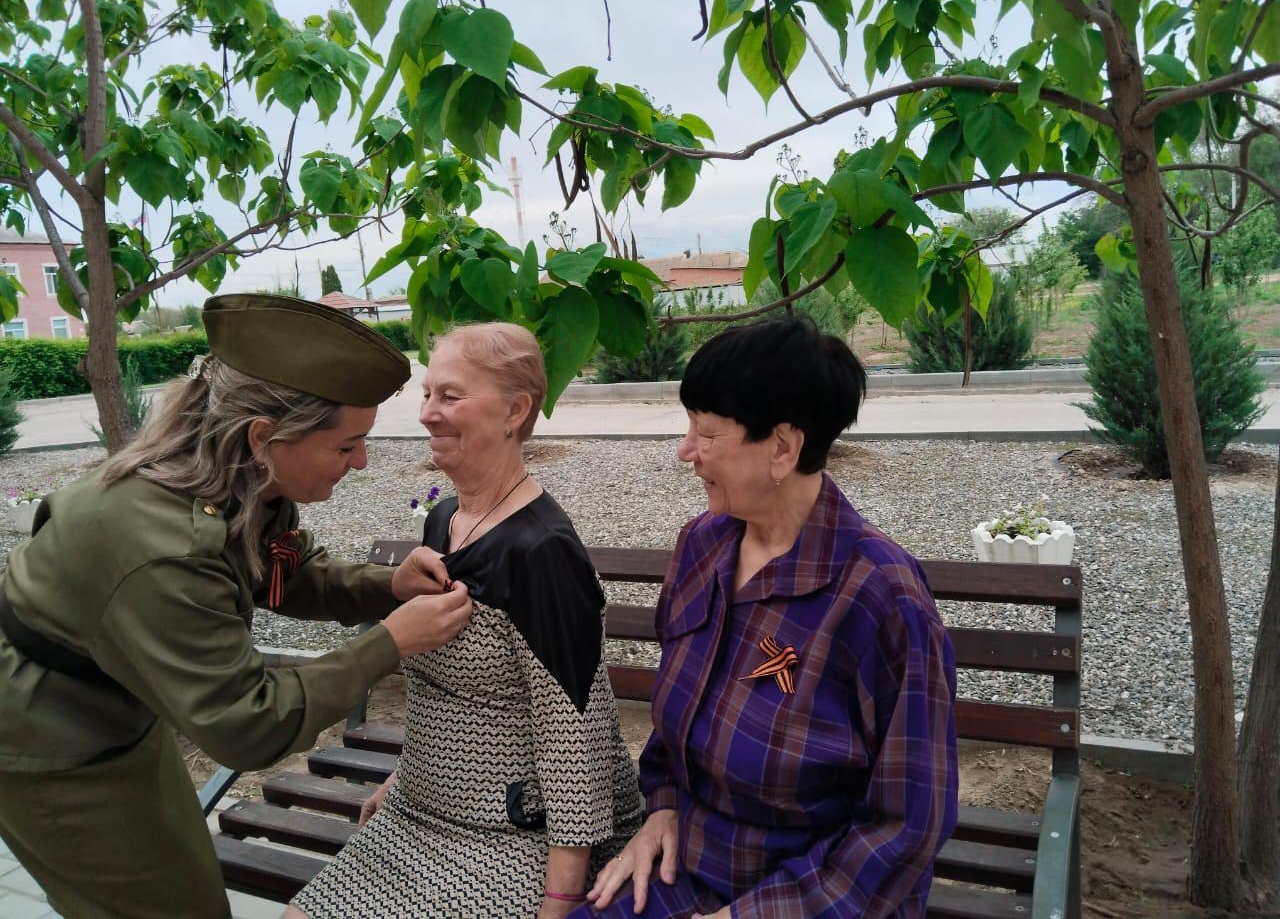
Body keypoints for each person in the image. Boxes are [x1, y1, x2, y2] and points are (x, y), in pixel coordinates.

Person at [0, 294, 473, 919]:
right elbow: (246, 724)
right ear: (263, 435)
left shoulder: (239, 479)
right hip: (50, 738)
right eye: (346, 446)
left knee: (187, 883)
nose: (361, 462)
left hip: (118, 702)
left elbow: (280, 574)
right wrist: (388, 643)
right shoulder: (163, 546)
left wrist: (387, 586)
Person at [578, 318, 958, 919]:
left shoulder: (881, 597)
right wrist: (664, 805)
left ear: (782, 447)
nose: (685, 451)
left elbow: (907, 825)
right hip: (689, 866)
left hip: (812, 901)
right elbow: (675, 731)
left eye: (706, 432)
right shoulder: (703, 545)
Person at [288, 322, 642, 919]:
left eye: (450, 396)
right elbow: (441, 689)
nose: (427, 413)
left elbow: (575, 738)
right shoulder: (444, 520)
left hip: (513, 838)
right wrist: (404, 778)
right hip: (418, 815)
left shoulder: (543, 553)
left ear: (515, 411)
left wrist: (559, 903)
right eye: (428, 393)